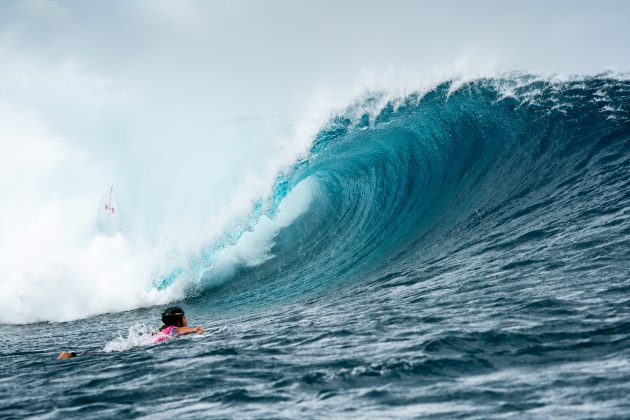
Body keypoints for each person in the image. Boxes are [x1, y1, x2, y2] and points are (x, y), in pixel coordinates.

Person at [57, 306, 204, 359]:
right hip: (136, 348)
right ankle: (70, 355)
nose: (186, 319)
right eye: (184, 317)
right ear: (177, 320)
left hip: (136, 344)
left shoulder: (162, 330)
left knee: (102, 352)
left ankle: (71, 354)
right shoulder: (171, 330)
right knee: (104, 353)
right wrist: (193, 330)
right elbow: (178, 330)